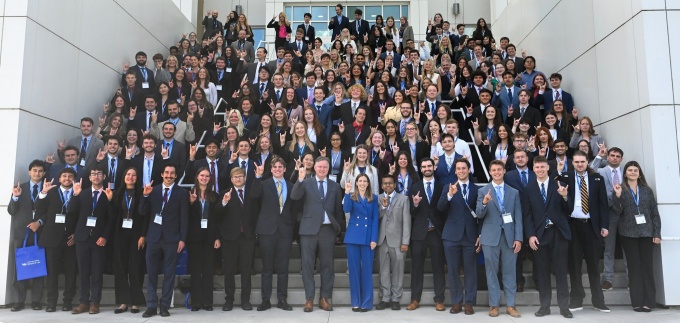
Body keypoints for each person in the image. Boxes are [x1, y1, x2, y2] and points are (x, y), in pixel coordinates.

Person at [290, 156, 345, 312]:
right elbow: (294, 196)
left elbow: (337, 211)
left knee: (327, 265)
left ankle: (324, 298)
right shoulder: (306, 183)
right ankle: (309, 299)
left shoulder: (335, 186)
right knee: (307, 265)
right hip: (308, 230)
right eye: (319, 167)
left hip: (328, 230)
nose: (322, 169)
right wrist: (299, 180)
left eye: (325, 167)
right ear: (314, 167)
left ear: (328, 169)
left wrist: (337, 229)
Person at [522, 156, 573, 318]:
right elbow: (527, 215)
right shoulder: (528, 188)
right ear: (533, 169)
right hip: (539, 235)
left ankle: (564, 307)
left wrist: (565, 196)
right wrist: (530, 235)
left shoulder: (559, 185)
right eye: (537, 167)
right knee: (542, 273)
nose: (540, 170)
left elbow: (569, 209)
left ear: (548, 168)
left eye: (543, 167)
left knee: (561, 271)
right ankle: (545, 306)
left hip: (558, 233)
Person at [562, 151, 610, 313]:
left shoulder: (597, 179)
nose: (580, 164)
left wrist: (604, 225)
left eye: (582, 161)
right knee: (574, 265)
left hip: (591, 227)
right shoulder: (565, 178)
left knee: (593, 265)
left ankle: (598, 300)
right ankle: (576, 299)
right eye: (576, 162)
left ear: (587, 161)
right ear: (572, 163)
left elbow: (603, 204)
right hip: (573, 226)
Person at [139, 164, 189, 318]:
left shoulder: (182, 193)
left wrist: (182, 239)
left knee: (169, 274)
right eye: (166, 172)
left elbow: (184, 218)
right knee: (152, 274)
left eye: (172, 173)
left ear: (175, 176)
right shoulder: (152, 190)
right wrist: (145, 196)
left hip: (172, 239)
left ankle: (165, 305)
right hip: (153, 238)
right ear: (162, 174)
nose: (169, 175)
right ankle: (151, 305)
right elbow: (142, 212)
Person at [611, 161, 662, 312]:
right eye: (630, 170)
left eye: (635, 170)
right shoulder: (620, 189)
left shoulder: (647, 190)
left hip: (647, 233)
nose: (633, 172)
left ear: (639, 173)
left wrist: (657, 233)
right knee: (634, 268)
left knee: (647, 267)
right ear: (625, 173)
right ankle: (637, 302)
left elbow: (654, 213)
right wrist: (618, 196)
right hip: (628, 233)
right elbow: (616, 211)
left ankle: (649, 302)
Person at [475, 160, 522, 318]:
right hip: (490, 237)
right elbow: (479, 214)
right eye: (493, 170)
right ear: (490, 172)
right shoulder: (483, 191)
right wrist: (484, 202)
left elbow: (518, 218)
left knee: (510, 272)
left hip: (509, 237)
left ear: (503, 172)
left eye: (499, 170)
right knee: (491, 272)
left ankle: (510, 305)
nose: (496, 172)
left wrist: (519, 238)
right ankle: (494, 305)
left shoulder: (513, 192)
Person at [250, 157, 297, 311]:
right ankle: (265, 300)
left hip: (285, 230)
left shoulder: (291, 186)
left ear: (284, 169)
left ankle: (282, 299)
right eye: (275, 167)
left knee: (283, 267)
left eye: (280, 167)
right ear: (271, 169)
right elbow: (254, 195)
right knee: (267, 267)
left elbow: (295, 207)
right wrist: (257, 176)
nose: (277, 169)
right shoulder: (263, 184)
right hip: (267, 231)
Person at [68, 166, 114, 315]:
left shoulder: (108, 193)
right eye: (93, 173)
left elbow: (112, 218)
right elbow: (72, 212)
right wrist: (75, 195)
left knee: (96, 272)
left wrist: (105, 236)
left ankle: (95, 302)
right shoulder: (83, 194)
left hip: (99, 239)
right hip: (82, 238)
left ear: (104, 176)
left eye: (99, 173)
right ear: (89, 177)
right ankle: (83, 302)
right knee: (83, 272)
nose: (96, 176)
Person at [437, 158, 479, 315]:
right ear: (455, 171)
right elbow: (440, 208)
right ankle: (456, 302)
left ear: (469, 170)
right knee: (453, 270)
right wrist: (449, 195)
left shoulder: (476, 189)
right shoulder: (448, 187)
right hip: (451, 235)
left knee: (470, 270)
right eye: (458, 169)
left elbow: (480, 214)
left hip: (470, 235)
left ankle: (469, 302)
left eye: (464, 168)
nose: (461, 171)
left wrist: (479, 234)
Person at [216, 166, 259, 311]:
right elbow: (217, 213)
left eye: (240, 176)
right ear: (231, 179)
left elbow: (256, 213)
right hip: (229, 237)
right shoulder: (224, 194)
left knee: (246, 270)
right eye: (235, 177)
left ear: (245, 177)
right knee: (229, 270)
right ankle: (229, 300)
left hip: (247, 237)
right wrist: (224, 202)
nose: (238, 179)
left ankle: (245, 300)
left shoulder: (252, 194)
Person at [406, 158, 446, 311]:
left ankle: (439, 299)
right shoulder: (414, 187)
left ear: (434, 167)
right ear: (420, 169)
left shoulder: (442, 187)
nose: (427, 168)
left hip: (436, 232)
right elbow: (411, 211)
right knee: (416, 267)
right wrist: (415, 203)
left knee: (438, 267)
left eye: (429, 166)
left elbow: (444, 210)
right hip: (419, 233)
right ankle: (415, 299)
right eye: (424, 167)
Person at [9, 160, 47, 311]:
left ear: (44, 173)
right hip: (21, 234)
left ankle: (36, 301)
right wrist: (15, 197)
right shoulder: (20, 188)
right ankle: (19, 301)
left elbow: (50, 211)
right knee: (20, 267)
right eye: (34, 170)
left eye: (40, 171)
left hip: (39, 233)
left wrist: (39, 221)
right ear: (29, 172)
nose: (37, 173)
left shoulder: (47, 189)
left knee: (38, 266)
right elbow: (11, 211)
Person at [112, 167, 147, 314]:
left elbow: (145, 215)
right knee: (120, 267)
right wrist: (109, 200)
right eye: (128, 174)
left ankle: (135, 302)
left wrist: (143, 235)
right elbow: (112, 215)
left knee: (136, 267)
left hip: (136, 234)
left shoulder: (142, 193)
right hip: (120, 234)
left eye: (134, 175)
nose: (130, 177)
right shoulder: (117, 194)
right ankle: (123, 302)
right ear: (123, 176)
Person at [343, 174, 379, 312]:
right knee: (354, 270)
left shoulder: (373, 198)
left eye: (365, 181)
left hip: (368, 238)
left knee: (367, 270)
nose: (363, 183)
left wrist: (374, 239)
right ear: (356, 183)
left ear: (368, 183)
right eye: (360, 181)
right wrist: (346, 192)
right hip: (352, 237)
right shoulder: (351, 196)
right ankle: (356, 302)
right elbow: (346, 209)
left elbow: (375, 219)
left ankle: (366, 303)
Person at [186, 168, 220, 311]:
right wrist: (191, 203)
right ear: (197, 177)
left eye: (207, 176)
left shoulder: (215, 196)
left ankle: (207, 302)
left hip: (210, 237)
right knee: (195, 270)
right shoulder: (189, 194)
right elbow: (184, 215)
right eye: (202, 175)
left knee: (208, 270)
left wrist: (217, 237)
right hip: (194, 237)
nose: (204, 178)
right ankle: (196, 302)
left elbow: (218, 218)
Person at [375, 176, 410, 310]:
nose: (388, 185)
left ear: (395, 184)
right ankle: (385, 297)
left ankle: (395, 298)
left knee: (398, 270)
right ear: (382, 185)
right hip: (381, 240)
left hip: (398, 240)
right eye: (385, 183)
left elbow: (407, 222)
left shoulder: (403, 199)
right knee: (383, 270)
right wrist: (383, 208)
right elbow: (375, 218)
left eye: (390, 183)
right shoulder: (377, 199)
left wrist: (405, 241)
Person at [596, 147, 625, 292]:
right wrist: (599, 157)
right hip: (608, 213)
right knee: (609, 248)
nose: (614, 158)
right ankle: (608, 279)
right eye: (612, 155)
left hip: (625, 213)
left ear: (621, 159)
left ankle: (632, 278)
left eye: (617, 156)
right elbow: (587, 170)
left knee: (628, 248)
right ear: (608, 156)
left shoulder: (625, 172)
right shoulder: (601, 171)